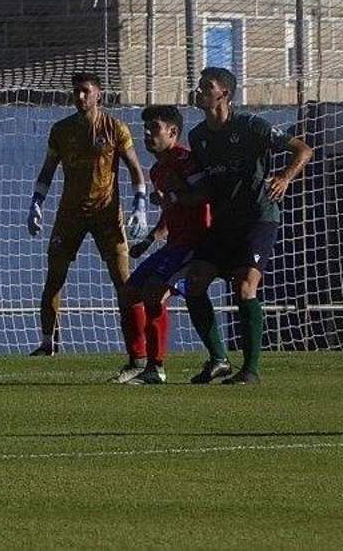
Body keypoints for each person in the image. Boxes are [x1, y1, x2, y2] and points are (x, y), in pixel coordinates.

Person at [178, 67, 313, 385]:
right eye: (199, 85)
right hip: (224, 222)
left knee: (245, 287)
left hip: (258, 218)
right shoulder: (198, 137)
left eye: (206, 86)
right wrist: (178, 195)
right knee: (194, 282)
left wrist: (284, 177)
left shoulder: (251, 125)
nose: (198, 90)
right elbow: (209, 186)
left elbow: (303, 150)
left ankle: (250, 371)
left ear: (223, 94)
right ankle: (219, 359)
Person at [26, 72, 150, 373]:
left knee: (124, 283)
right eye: (76, 92)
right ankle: (47, 343)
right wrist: (36, 203)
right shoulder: (61, 130)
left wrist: (140, 205)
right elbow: (47, 170)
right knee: (54, 277)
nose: (80, 97)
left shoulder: (115, 128)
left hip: (107, 215)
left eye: (85, 91)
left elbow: (135, 168)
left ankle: (139, 350)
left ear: (99, 95)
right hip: (70, 215)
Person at [119, 104, 210, 385]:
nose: (146, 133)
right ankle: (139, 361)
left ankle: (156, 367)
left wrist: (175, 195)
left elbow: (206, 195)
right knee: (129, 293)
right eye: (145, 128)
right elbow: (170, 214)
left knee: (154, 291)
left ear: (172, 132)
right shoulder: (159, 170)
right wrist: (148, 240)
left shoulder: (186, 161)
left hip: (197, 244)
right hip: (173, 246)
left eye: (153, 128)